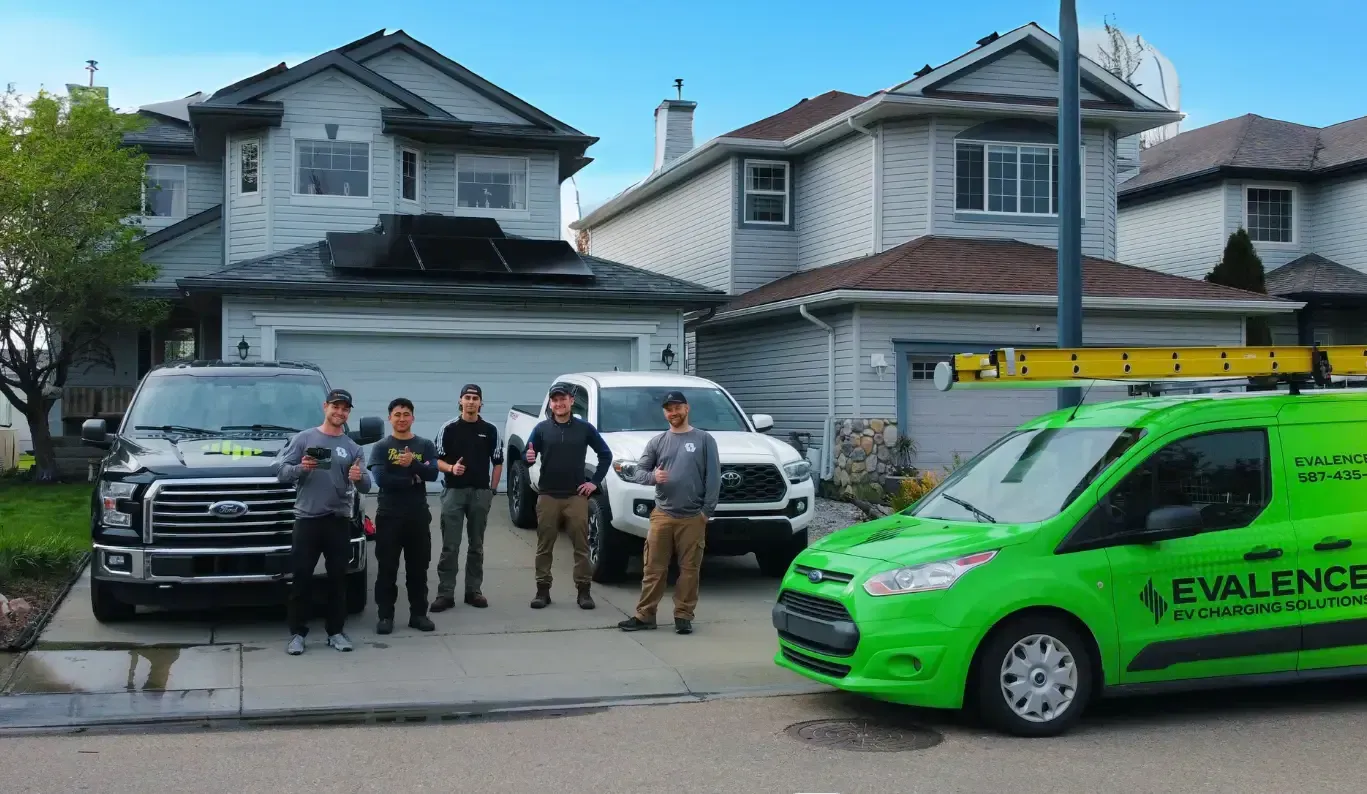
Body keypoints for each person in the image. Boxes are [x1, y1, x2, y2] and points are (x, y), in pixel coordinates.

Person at [276, 388, 373, 655]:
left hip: (338, 521)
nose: (339, 412)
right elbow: (282, 472)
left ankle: (336, 632)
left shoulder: (352, 448)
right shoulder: (304, 439)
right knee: (302, 578)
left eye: (345, 408)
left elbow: (366, 486)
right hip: (307, 520)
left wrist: (358, 477)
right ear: (325, 407)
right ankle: (297, 634)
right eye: (335, 407)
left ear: (348, 412)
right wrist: (301, 468)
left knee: (338, 580)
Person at [618, 391, 719, 635]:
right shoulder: (657, 442)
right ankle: (645, 615)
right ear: (665, 413)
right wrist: (654, 477)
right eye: (668, 409)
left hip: (693, 516)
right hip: (662, 514)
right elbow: (638, 472)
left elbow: (713, 479)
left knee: (689, 570)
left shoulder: (704, 440)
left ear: (687, 408)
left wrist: (706, 512)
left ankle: (683, 616)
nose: (673, 413)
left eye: (677, 408)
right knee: (653, 568)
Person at [525, 382, 612, 610]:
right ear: (551, 404)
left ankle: (584, 592)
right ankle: (542, 591)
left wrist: (593, 482)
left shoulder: (585, 429)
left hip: (576, 497)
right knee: (544, 546)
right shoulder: (542, 429)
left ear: (571, 401)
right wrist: (529, 457)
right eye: (555, 400)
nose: (559, 403)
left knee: (581, 546)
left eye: (563, 399)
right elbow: (528, 454)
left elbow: (605, 454)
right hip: (548, 496)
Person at [367, 398, 439, 634]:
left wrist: (414, 464)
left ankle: (418, 615)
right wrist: (411, 479)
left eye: (406, 414)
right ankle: (385, 616)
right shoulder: (380, 447)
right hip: (389, 516)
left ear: (413, 418)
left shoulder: (424, 445)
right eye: (397, 414)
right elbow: (380, 479)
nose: (402, 418)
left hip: (417, 516)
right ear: (390, 418)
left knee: (418, 569)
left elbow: (432, 473)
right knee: (387, 569)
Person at [432, 384, 503, 611]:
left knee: (476, 546)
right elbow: (436, 460)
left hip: (480, 494)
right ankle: (445, 594)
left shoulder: (490, 430)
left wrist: (491, 490)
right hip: (454, 493)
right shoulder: (448, 428)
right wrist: (451, 468)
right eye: (467, 397)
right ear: (460, 401)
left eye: (475, 398)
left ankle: (474, 591)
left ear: (481, 403)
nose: (471, 401)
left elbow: (498, 461)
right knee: (450, 546)